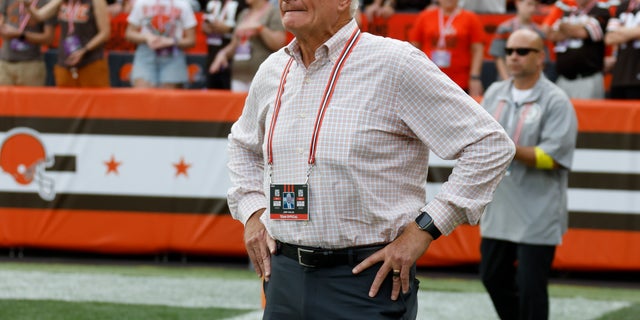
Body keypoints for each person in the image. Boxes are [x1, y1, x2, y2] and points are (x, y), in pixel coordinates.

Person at [226, 0, 515, 318]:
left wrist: (424, 230)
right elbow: (243, 146)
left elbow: (489, 145)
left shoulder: (395, 63)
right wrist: (253, 213)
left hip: (366, 282)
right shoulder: (273, 69)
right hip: (283, 278)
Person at [479, 29, 578, 320]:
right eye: (509, 51)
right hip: (499, 208)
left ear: (541, 58)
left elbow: (556, 157)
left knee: (531, 288)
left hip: (538, 210)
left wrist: (508, 149)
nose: (513, 57)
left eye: (523, 51)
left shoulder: (556, 100)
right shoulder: (496, 92)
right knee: (492, 277)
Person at [25, 0, 111, 87]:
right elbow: (40, 16)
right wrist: (28, 6)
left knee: (95, 98)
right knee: (66, 99)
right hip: (65, 62)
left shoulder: (96, 2)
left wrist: (84, 50)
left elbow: (105, 33)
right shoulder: (60, 1)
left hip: (91, 62)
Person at [409, 0, 486, 96]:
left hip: (460, 82)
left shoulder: (470, 18)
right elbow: (414, 47)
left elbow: (478, 50)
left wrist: (475, 77)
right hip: (428, 80)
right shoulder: (424, 17)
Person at [209, 0, 285, 92]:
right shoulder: (243, 14)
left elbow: (278, 43)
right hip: (238, 75)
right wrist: (222, 54)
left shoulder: (273, 12)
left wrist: (260, 28)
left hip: (263, 76)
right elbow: (234, 45)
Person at [124, 0, 197, 88]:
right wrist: (147, 37)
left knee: (169, 99)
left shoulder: (183, 4)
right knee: (143, 97)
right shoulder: (142, 3)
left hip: (172, 54)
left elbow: (191, 40)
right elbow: (129, 33)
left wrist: (170, 41)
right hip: (146, 53)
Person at [546, 0, 612, 98]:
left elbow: (582, 33)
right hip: (563, 78)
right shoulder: (569, 11)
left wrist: (565, 27)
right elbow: (551, 35)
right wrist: (581, 25)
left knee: (588, 112)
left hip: (587, 78)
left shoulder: (600, 10)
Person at [0, 0, 55, 86]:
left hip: (31, 64)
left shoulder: (46, 3)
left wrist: (20, 34)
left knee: (31, 99)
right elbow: (2, 21)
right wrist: (3, 30)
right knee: (4, 99)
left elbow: (49, 39)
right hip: (5, 63)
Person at [489, 0, 547, 81]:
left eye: (535, 6)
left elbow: (542, 60)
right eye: (529, 4)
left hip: (531, 80)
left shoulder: (539, 32)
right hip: (508, 78)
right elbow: (499, 57)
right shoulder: (505, 28)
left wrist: (534, 80)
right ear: (518, 4)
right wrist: (507, 80)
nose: (532, 9)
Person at [201, 0, 245, 90]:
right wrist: (207, 27)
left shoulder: (240, 4)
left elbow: (241, 29)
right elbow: (204, 23)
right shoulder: (212, 3)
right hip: (212, 54)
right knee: (212, 89)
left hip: (231, 55)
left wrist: (228, 29)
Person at [605, 0, 640, 99]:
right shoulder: (623, 6)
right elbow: (609, 38)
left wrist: (621, 31)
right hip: (620, 74)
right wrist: (635, 31)